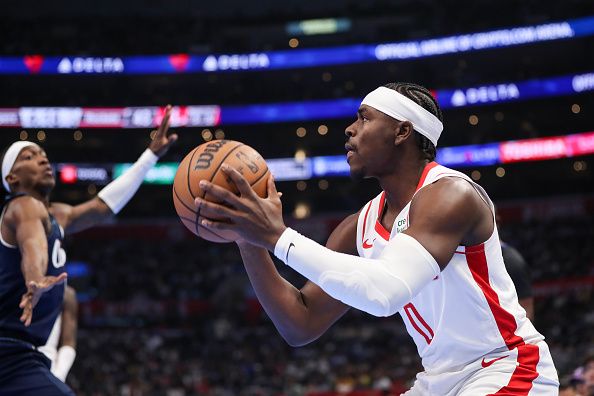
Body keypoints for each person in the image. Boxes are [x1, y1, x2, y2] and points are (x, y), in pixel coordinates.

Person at [194, 83, 560, 395]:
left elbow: (385, 292)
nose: (350, 130)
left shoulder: (451, 194)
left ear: (402, 132)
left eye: (365, 118)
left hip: (507, 367)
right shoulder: (360, 225)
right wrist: (249, 241)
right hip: (438, 381)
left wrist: (276, 236)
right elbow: (300, 324)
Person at [0, 106, 176, 395]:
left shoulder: (56, 214)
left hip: (23, 355)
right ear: (11, 179)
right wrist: (35, 278)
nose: (42, 158)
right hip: (11, 352)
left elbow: (102, 207)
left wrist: (150, 156)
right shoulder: (22, 207)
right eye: (28, 157)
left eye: (42, 153)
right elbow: (33, 246)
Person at [38, 285, 78, 382]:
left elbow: (68, 342)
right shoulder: (12, 286)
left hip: (48, 366)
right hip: (15, 364)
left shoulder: (66, 293)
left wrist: (59, 375)